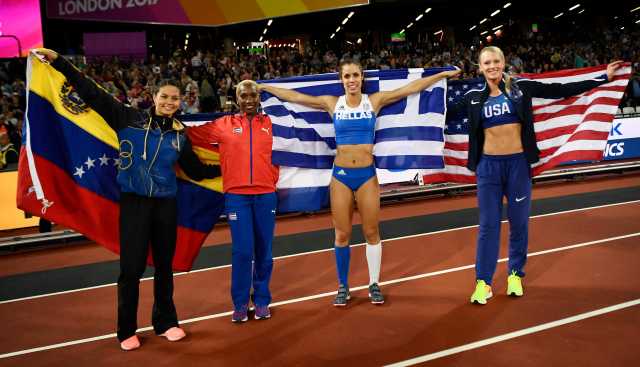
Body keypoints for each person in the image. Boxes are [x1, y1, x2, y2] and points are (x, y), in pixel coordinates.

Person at [35, 49, 220, 350]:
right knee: (131, 269)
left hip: (165, 206)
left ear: (180, 102)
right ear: (154, 96)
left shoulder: (180, 134)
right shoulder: (127, 118)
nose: (169, 102)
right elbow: (92, 93)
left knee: (164, 266)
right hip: (134, 204)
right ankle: (126, 331)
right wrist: (59, 62)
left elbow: (196, 171)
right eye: (165, 97)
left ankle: (166, 322)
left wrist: (231, 166)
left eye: (175, 98)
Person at [259, 59, 460, 306]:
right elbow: (295, 96)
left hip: (366, 175)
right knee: (342, 234)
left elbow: (409, 89)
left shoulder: (373, 101)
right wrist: (264, 87)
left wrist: (441, 75)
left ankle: (374, 283)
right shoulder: (331, 103)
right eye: (347, 76)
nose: (352, 80)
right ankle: (343, 286)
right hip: (341, 176)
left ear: (361, 78)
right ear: (341, 80)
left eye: (355, 75)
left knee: (371, 231)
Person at [453, 46, 622, 305]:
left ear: (504, 61)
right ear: (479, 67)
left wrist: (602, 77)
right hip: (488, 168)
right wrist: (436, 78)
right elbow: (441, 112)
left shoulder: (521, 89)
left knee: (519, 224)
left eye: (496, 60)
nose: (492, 66)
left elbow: (559, 89)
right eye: (486, 62)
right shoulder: (474, 97)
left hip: (518, 165)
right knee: (488, 227)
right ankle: (483, 283)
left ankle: (514, 275)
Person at [189, 80, 279, 323]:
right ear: (235, 99)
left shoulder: (272, 123)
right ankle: (240, 303)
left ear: (259, 98)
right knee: (242, 251)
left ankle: (261, 300)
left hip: (265, 194)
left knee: (264, 251)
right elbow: (190, 133)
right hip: (236, 196)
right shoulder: (223, 125)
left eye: (253, 95)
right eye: (243, 95)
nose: (249, 99)